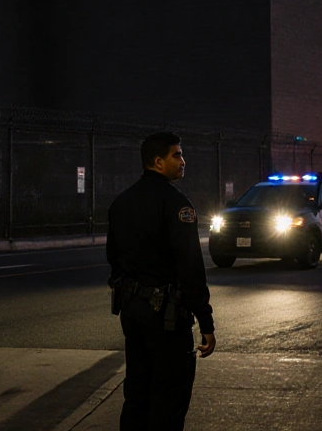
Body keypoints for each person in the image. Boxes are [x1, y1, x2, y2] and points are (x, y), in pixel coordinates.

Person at [106, 131, 216, 430]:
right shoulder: (177, 205)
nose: (183, 161)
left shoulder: (121, 203)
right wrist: (206, 323)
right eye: (176, 155)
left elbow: (113, 259)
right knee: (170, 398)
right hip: (167, 318)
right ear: (158, 161)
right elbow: (191, 269)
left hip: (132, 312)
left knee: (137, 393)